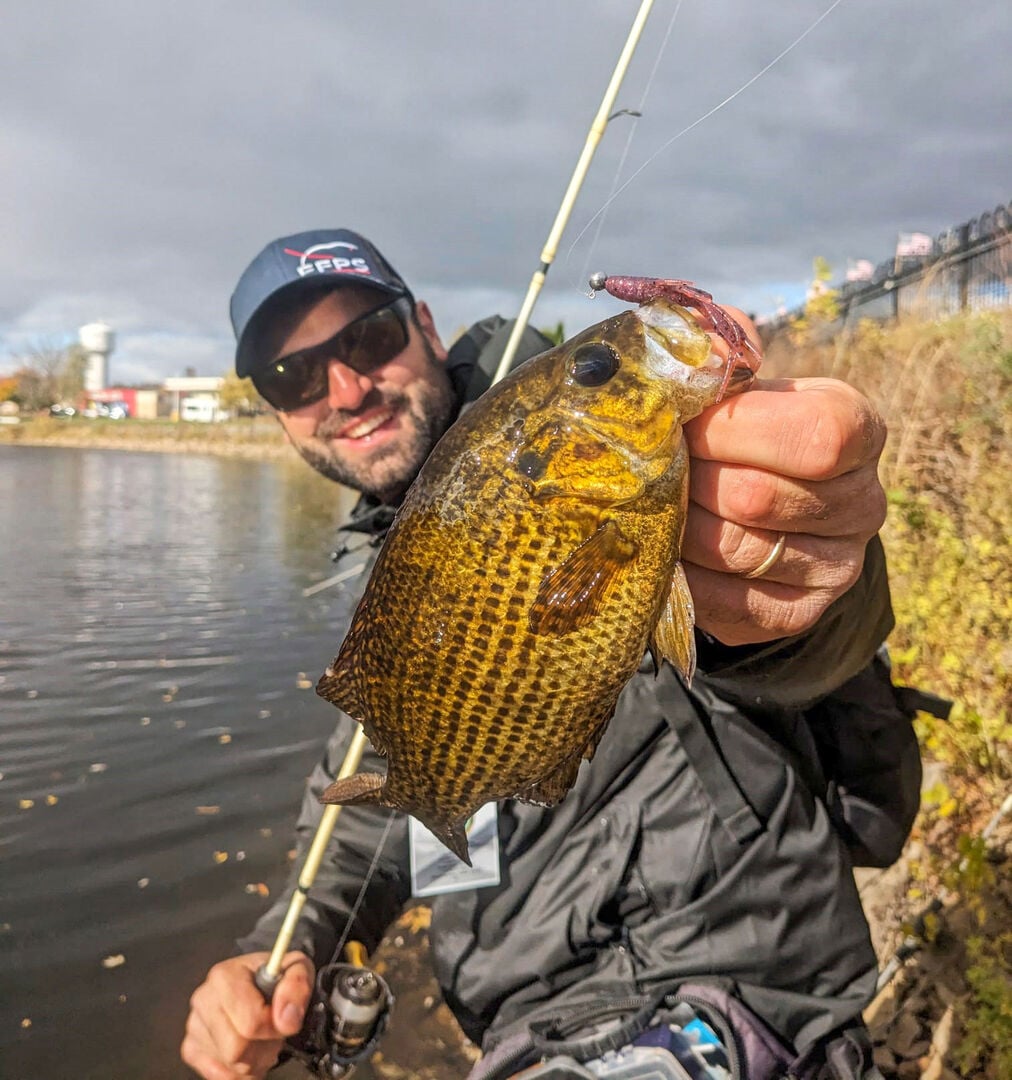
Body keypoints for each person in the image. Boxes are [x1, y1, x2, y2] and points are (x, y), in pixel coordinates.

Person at [182, 228, 924, 1080]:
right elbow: (371, 819)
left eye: (368, 339)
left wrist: (804, 571)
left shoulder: (595, 449)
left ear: (423, 324)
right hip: (524, 1041)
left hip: (750, 999)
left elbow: (804, 647)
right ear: (277, 414)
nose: (346, 388)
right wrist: (289, 949)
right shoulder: (381, 583)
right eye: (294, 377)